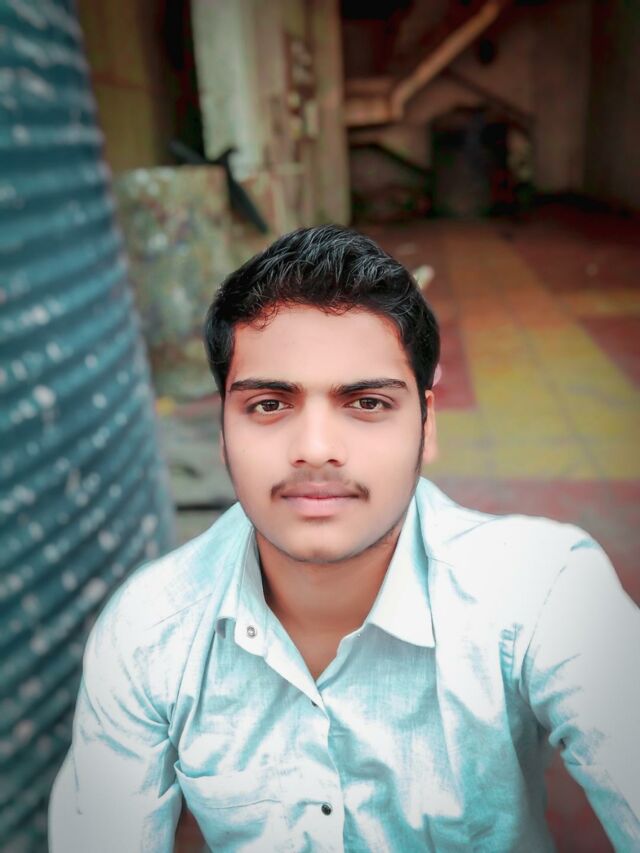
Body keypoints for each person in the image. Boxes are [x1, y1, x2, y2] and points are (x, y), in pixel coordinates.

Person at [49, 225, 639, 851]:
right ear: (222, 431)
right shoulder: (148, 631)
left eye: (367, 403)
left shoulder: (544, 592)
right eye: (269, 405)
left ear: (427, 426)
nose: (315, 449)